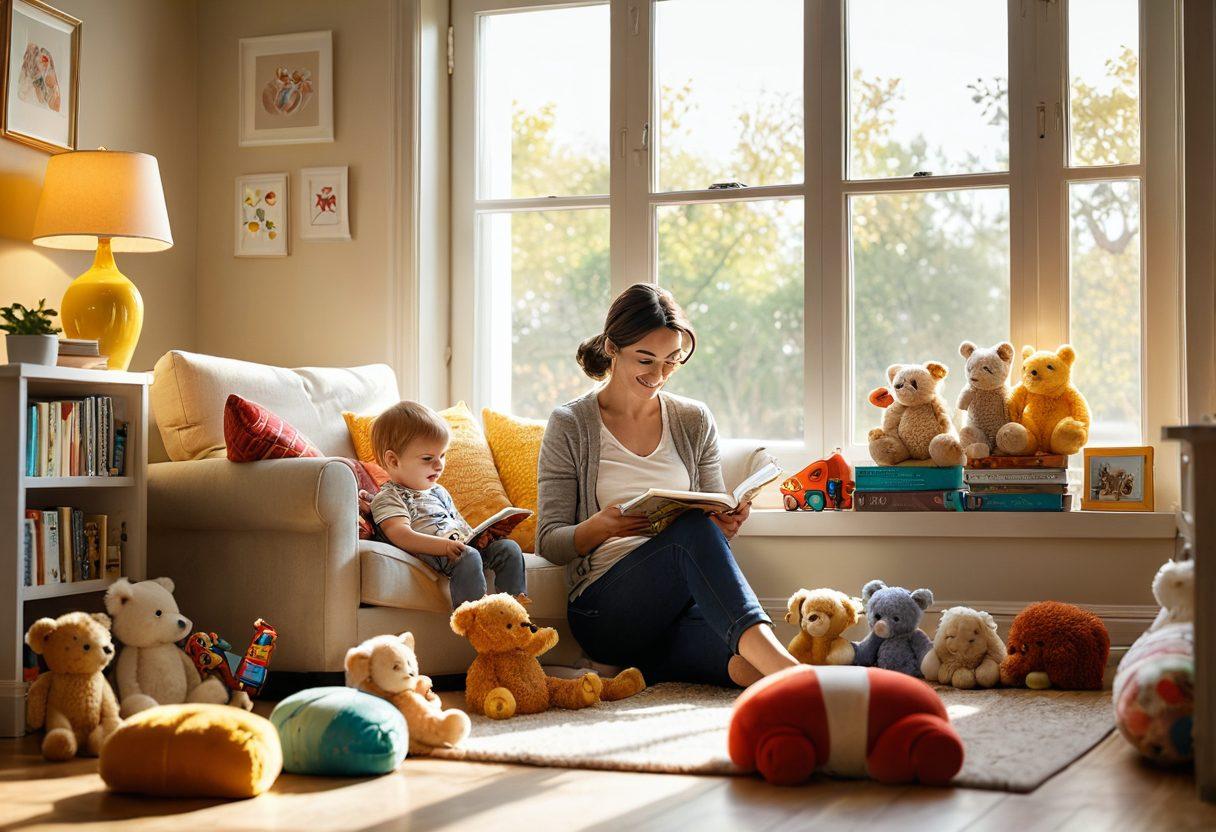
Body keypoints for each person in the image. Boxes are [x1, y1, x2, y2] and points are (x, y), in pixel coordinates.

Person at [536, 284, 798, 687]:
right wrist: (602, 526)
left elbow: (708, 523)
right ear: (612, 348)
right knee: (688, 534)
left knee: (745, 665)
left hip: (677, 607)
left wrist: (723, 525)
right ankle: (798, 676)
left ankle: (786, 687)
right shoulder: (571, 424)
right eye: (645, 360)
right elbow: (550, 542)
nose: (658, 375)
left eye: (671, 362)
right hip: (604, 610)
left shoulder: (693, 419)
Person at [369, 401, 527, 609]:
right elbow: (400, 535)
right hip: (434, 552)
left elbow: (459, 525)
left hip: (457, 547)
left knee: (508, 548)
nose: (439, 465)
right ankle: (474, 617)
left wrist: (482, 537)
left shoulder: (438, 491)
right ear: (393, 461)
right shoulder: (389, 497)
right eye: (428, 458)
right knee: (468, 555)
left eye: (442, 455)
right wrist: (444, 547)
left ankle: (513, 610)